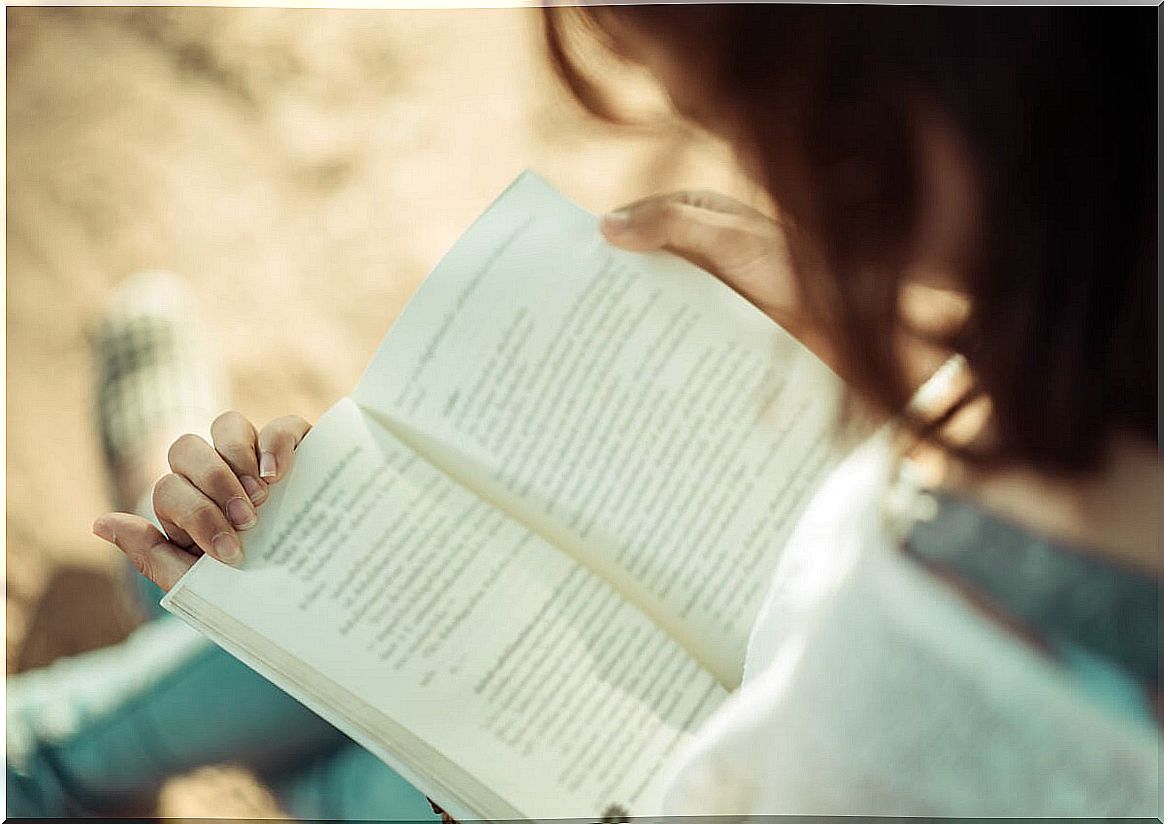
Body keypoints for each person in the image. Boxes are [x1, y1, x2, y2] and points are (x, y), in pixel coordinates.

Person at [10, 4, 1158, 817]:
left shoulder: (938, 653)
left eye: (770, 132)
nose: (774, 172)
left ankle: (78, 726)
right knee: (397, 571)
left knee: (358, 720)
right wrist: (888, 328)